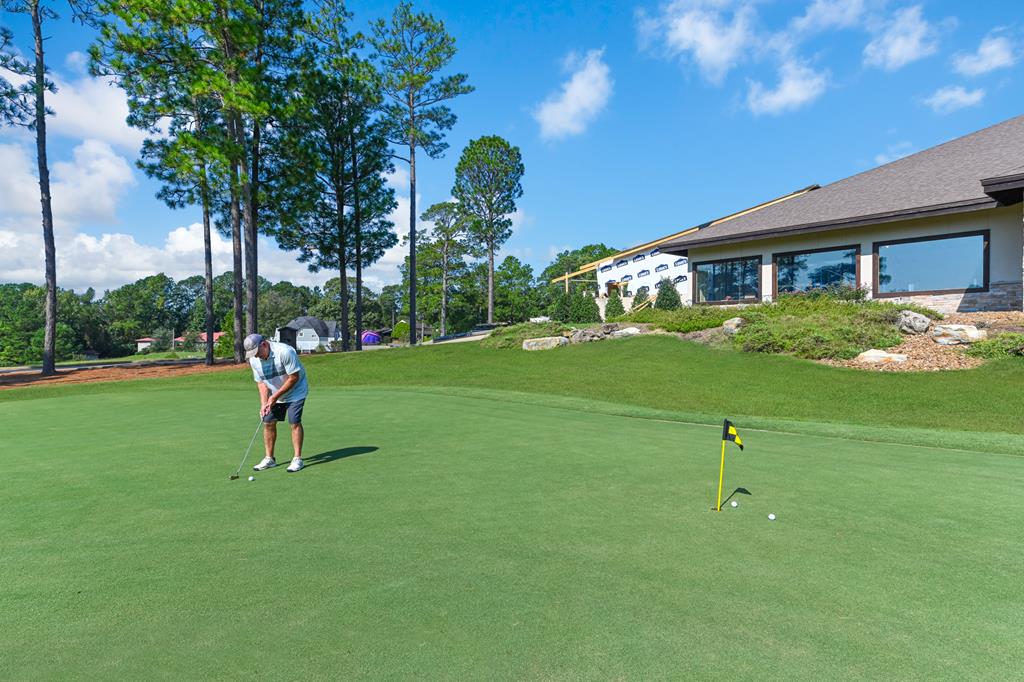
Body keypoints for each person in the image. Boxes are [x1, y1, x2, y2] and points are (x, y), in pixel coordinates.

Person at [244, 333, 308, 473]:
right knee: (268, 422)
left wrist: (274, 397)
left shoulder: (285, 352)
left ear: (264, 344)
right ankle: (269, 459)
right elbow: (261, 383)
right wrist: (264, 403)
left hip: (296, 391)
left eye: (257, 352)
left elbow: (294, 378)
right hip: (275, 393)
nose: (256, 356)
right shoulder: (254, 360)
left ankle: (297, 458)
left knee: (294, 422)